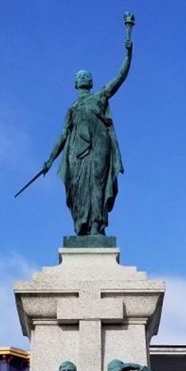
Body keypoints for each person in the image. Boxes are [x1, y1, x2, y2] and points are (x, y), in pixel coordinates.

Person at [42, 31, 133, 236]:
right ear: (76, 84)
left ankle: (96, 226)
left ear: (91, 83)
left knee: (97, 184)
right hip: (76, 151)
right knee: (78, 187)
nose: (83, 77)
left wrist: (129, 52)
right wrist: (50, 160)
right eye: (79, 76)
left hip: (100, 147)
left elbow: (120, 77)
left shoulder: (100, 96)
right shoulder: (72, 108)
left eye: (86, 76)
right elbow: (63, 135)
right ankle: (82, 225)